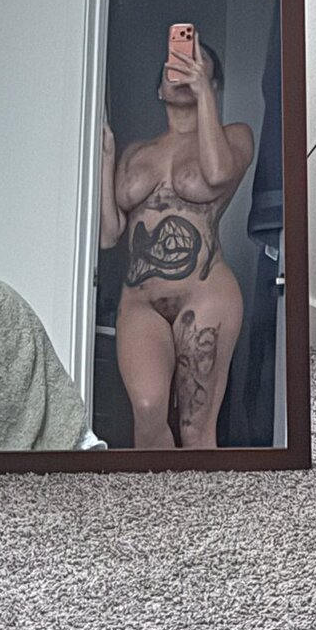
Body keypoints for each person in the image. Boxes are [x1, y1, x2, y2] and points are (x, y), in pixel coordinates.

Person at [100, 38, 253, 449]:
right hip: (140, 300)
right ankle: (161, 493)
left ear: (213, 83)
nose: (183, 70)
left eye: (195, 63)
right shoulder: (136, 152)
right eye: (176, 64)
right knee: (148, 409)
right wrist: (105, 157)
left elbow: (217, 174)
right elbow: (109, 234)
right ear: (159, 88)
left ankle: (203, 495)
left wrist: (203, 94)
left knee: (196, 429)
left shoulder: (235, 136)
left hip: (205, 294)